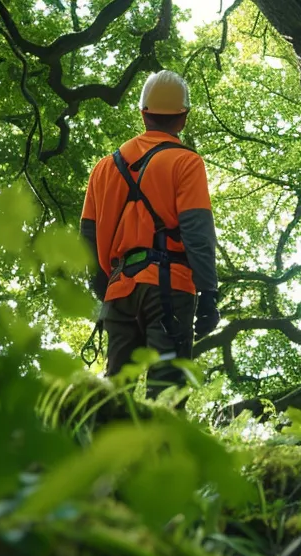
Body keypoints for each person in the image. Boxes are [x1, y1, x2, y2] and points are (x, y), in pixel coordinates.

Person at [80, 70, 220, 395]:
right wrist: (209, 295)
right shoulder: (186, 162)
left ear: (143, 114)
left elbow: (87, 237)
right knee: (167, 391)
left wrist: (105, 291)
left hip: (119, 291)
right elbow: (197, 231)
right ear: (183, 118)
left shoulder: (104, 168)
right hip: (169, 290)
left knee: (114, 396)